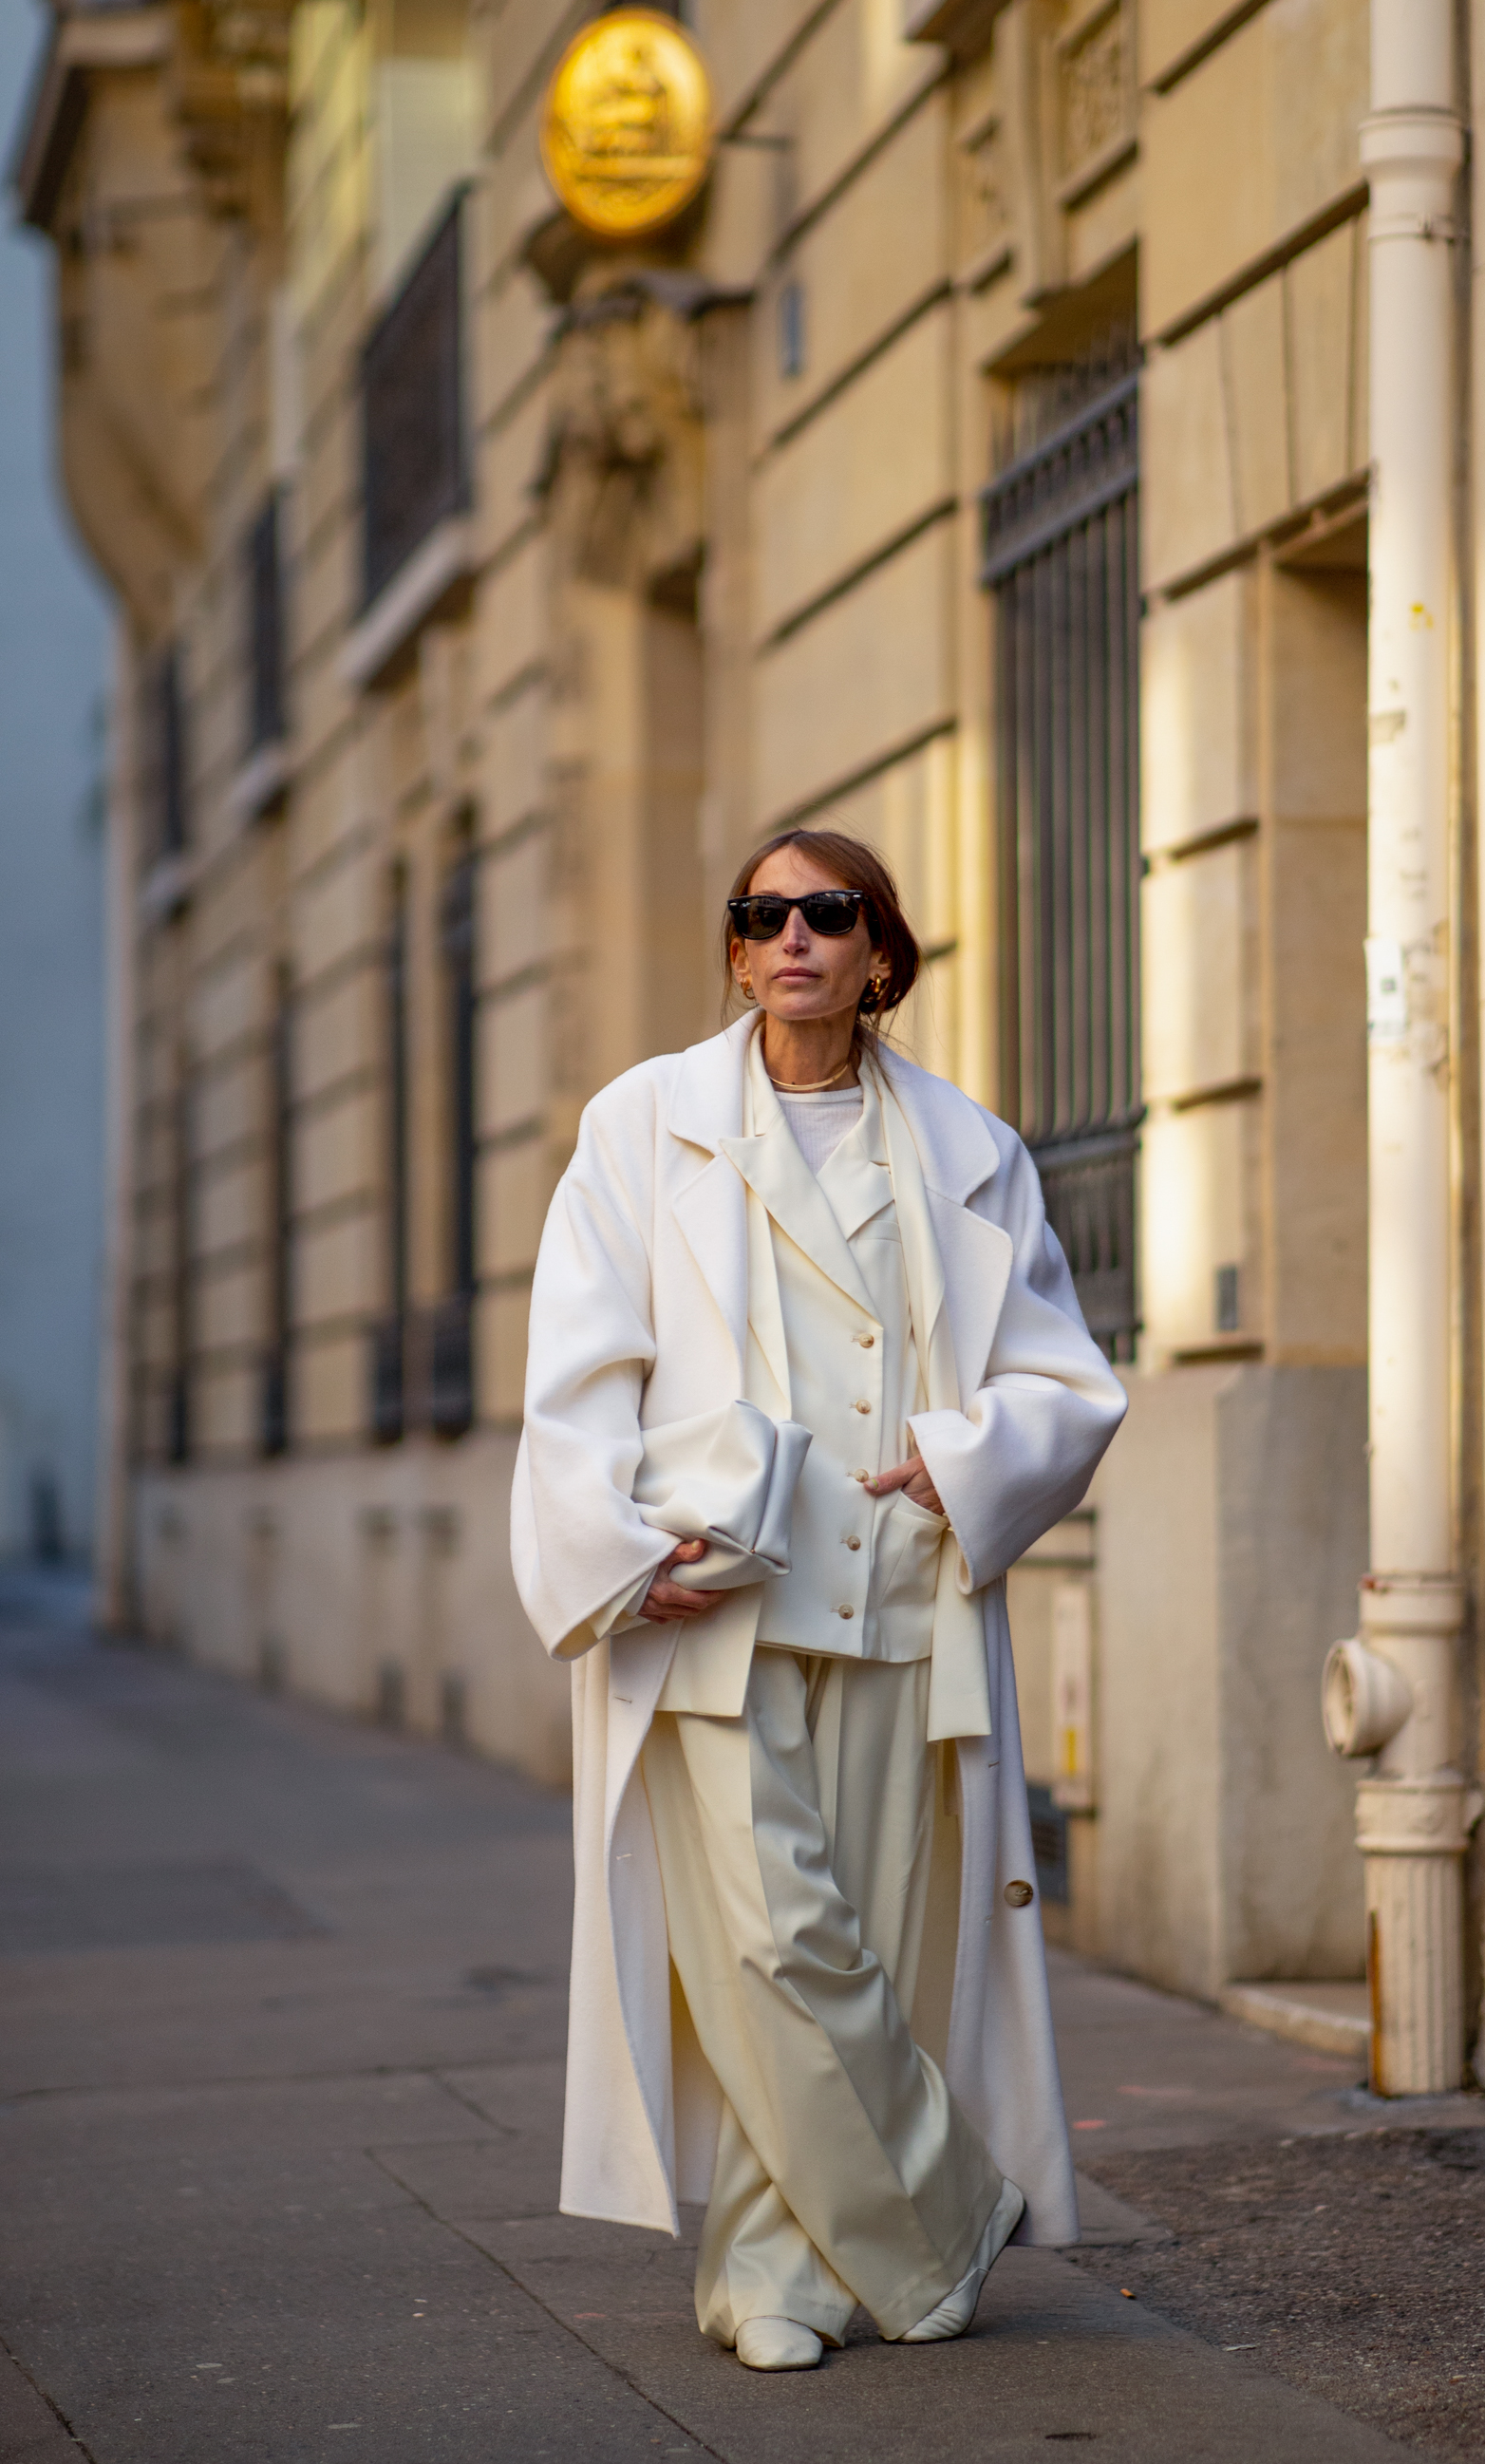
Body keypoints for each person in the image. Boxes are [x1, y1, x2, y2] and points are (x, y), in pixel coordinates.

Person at [511, 828, 1126, 2371]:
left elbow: (1064, 1379)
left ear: (879, 955)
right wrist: (614, 1549)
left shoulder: (969, 1147)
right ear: (734, 953)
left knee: (861, 1933)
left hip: (899, 1599)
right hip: (713, 1595)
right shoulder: (643, 1125)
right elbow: (577, 1374)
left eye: (827, 914)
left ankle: (773, 2279)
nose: (794, 937)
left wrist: (960, 1458)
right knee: (772, 1941)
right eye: (763, 915)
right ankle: (940, 2217)